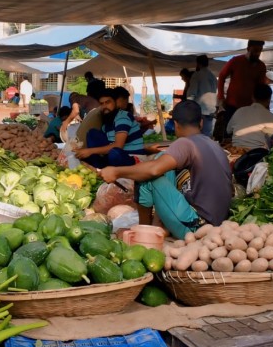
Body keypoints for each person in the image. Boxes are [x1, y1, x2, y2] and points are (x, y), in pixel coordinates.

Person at [99, 100, 232, 238]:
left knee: (146, 173)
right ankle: (158, 225)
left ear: (175, 124)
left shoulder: (185, 143)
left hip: (197, 227)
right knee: (163, 159)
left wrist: (116, 171)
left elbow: (152, 170)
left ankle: (144, 231)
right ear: (201, 123)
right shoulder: (214, 145)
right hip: (217, 224)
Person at [73, 89, 144, 168]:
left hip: (130, 157)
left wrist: (90, 151)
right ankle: (98, 167)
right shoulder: (107, 122)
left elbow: (118, 145)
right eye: (102, 104)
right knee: (92, 133)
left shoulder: (123, 116)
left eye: (108, 102)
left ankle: (103, 166)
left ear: (115, 103)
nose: (104, 106)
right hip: (114, 156)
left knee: (114, 153)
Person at [217, 39, 267, 124]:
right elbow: (221, 76)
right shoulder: (236, 61)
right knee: (229, 132)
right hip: (232, 105)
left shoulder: (261, 66)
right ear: (248, 49)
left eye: (260, 51)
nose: (257, 54)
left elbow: (261, 87)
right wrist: (221, 97)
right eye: (255, 50)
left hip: (250, 107)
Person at [226, 84, 273, 150]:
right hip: (259, 156)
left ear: (252, 97)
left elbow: (228, 130)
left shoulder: (240, 111)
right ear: (269, 100)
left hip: (236, 154)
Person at [186, 55, 217, 136]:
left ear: (198, 63)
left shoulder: (197, 75)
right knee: (207, 135)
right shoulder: (213, 76)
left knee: (196, 135)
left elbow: (192, 93)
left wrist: (187, 107)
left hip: (200, 110)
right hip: (211, 110)